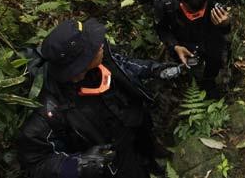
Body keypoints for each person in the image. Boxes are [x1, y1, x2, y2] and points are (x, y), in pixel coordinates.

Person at [18, 18, 177, 178]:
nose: (101, 44)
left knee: (146, 152)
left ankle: (152, 162)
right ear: (81, 63)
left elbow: (124, 63)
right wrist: (78, 164)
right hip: (112, 158)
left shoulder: (103, 56)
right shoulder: (50, 108)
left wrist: (154, 69)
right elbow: (36, 162)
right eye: (93, 47)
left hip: (132, 125)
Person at [153, 0, 231, 98]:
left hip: (210, 35)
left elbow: (225, 29)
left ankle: (209, 83)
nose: (194, 16)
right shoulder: (164, 2)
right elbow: (161, 29)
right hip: (183, 39)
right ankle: (191, 83)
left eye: (198, 12)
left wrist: (225, 23)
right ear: (181, 0)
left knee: (215, 58)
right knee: (191, 65)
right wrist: (175, 46)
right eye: (190, 12)